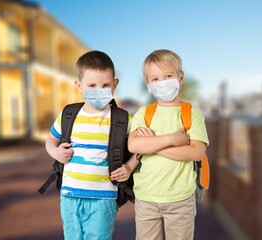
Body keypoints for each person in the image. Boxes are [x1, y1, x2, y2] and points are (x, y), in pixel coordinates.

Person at [45, 50, 138, 240]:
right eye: (92, 85)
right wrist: (55, 152)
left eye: (105, 85)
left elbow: (140, 149)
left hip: (103, 198)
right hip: (69, 196)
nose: (99, 90)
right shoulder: (68, 114)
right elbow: (50, 141)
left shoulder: (122, 119)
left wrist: (129, 167)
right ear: (79, 85)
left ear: (115, 85)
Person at [125, 49, 209, 240]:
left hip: (181, 199)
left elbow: (196, 152)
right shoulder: (143, 114)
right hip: (146, 197)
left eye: (168, 76)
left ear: (180, 77)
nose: (162, 82)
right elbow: (134, 146)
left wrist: (152, 144)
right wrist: (173, 140)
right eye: (155, 79)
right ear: (148, 85)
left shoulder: (192, 113)